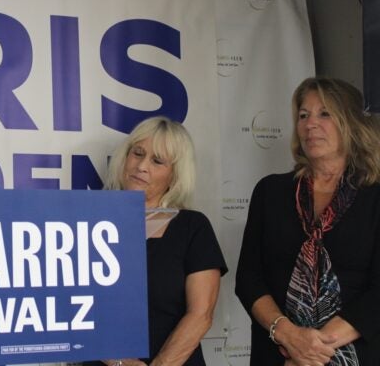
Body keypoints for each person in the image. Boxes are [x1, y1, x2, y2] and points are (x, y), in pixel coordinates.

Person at [236, 77, 380, 365]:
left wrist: (315, 348)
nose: (310, 124)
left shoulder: (374, 196)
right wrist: (290, 337)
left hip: (356, 353)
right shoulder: (270, 192)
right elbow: (249, 279)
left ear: (349, 123)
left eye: (324, 113)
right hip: (280, 354)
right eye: (304, 115)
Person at [87, 116, 227, 366]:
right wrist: (117, 361)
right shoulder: (88, 224)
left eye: (157, 161)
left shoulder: (193, 227)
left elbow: (201, 314)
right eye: (137, 153)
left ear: (175, 175)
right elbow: (69, 309)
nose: (141, 166)